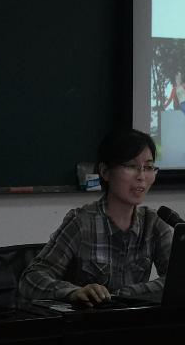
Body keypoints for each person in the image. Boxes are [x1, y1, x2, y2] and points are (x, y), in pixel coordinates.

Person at [18, 129, 173, 306]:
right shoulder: (82, 222)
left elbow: (179, 279)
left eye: (148, 167)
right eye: (131, 166)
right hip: (89, 320)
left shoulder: (154, 223)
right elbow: (31, 279)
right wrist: (73, 292)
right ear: (105, 171)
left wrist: (125, 294)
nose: (141, 177)